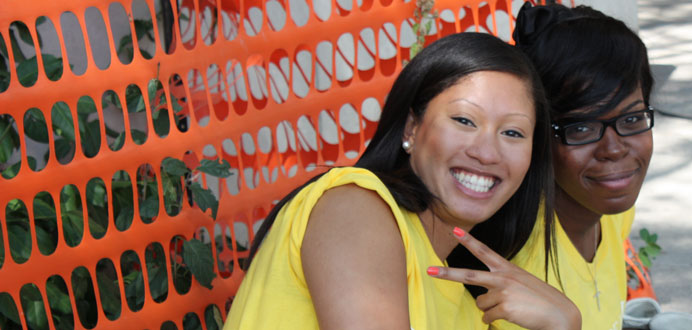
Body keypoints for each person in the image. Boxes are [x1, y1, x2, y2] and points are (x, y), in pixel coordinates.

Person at [223, 32, 580, 330]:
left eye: (513, 132)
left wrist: (565, 324)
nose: (487, 153)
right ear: (412, 128)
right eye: (464, 121)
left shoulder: (473, 302)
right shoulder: (355, 207)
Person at [490, 3, 656, 330]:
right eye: (581, 127)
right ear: (535, 134)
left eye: (632, 118)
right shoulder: (512, 274)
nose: (614, 148)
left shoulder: (615, 215)